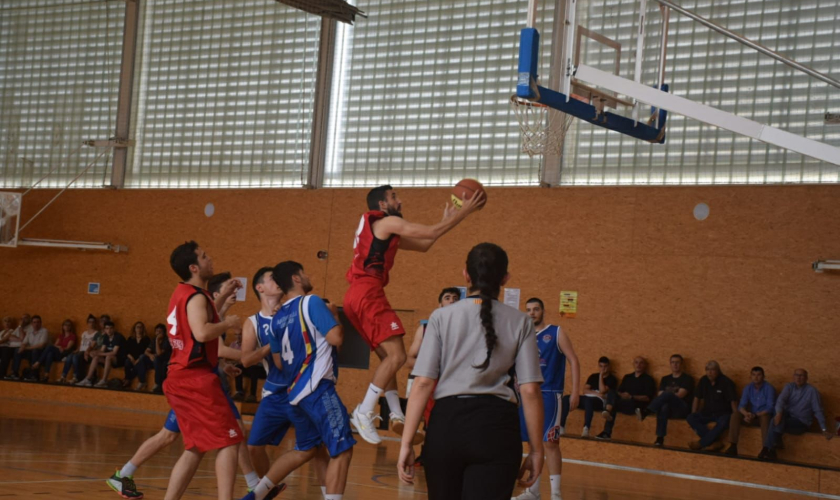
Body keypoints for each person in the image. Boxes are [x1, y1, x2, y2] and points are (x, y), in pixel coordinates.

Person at [398, 243, 545, 500]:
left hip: (446, 426)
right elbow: (530, 390)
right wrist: (536, 449)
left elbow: (422, 383)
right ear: (505, 278)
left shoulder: (441, 317)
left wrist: (407, 442)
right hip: (497, 429)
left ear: (466, 275)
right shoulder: (521, 321)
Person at [343, 184, 486, 444]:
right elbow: (429, 231)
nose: (401, 201)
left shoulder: (383, 230)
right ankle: (364, 410)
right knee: (397, 356)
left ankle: (396, 414)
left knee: (389, 357)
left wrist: (447, 220)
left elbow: (425, 243)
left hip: (357, 294)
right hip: (367, 291)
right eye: (394, 197)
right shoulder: (385, 223)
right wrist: (462, 212)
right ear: (382, 205)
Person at [244, 260, 355, 500]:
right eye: (304, 273)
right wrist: (334, 316)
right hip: (317, 390)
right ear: (296, 278)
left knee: (306, 450)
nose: (308, 276)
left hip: (294, 395)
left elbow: (280, 363)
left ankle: (257, 494)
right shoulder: (311, 301)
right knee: (343, 449)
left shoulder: (277, 318)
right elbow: (336, 338)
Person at [159, 241, 247, 500]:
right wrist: (228, 323)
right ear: (194, 267)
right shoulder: (197, 297)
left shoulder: (185, 293)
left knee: (196, 447)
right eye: (205, 256)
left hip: (179, 377)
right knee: (231, 439)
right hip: (195, 379)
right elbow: (202, 331)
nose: (211, 259)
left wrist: (221, 297)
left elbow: (202, 317)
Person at [240, 266, 327, 491]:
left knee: (318, 447)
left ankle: (329, 494)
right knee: (253, 447)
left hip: (303, 388)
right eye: (271, 279)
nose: (277, 281)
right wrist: (272, 344)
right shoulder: (253, 322)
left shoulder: (295, 309)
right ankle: (270, 488)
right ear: (260, 287)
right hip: (275, 392)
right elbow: (246, 360)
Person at [510, 297, 579, 500]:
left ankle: (556, 494)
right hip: (528, 395)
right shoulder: (524, 336)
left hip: (550, 394)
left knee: (550, 444)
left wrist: (574, 391)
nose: (532, 313)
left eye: (536, 309)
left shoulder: (556, 332)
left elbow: (574, 360)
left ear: (543, 311)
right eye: (529, 310)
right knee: (533, 443)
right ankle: (534, 491)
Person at [405, 286, 462, 462]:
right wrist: (433, 367)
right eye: (447, 297)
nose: (451, 300)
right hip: (433, 381)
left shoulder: (466, 327)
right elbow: (408, 360)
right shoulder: (425, 328)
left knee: (455, 422)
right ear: (439, 304)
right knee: (431, 421)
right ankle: (428, 454)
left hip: (458, 382)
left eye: (455, 298)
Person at [761, 368, 833, 460]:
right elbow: (780, 400)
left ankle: (767, 448)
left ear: (806, 378)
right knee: (777, 413)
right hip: (787, 418)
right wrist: (779, 413)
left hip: (801, 423)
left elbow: (818, 410)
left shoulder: (812, 391)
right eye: (796, 375)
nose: (798, 378)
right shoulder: (789, 387)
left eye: (801, 375)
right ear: (793, 377)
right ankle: (772, 449)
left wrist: (824, 429)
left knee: (774, 422)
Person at [638, 354, 695, 446]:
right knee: (664, 406)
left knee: (667, 395)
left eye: (677, 362)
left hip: (682, 408)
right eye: (673, 362)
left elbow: (680, 395)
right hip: (669, 409)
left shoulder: (687, 379)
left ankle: (647, 411)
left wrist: (668, 394)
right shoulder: (665, 379)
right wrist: (668, 395)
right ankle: (660, 438)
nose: (675, 365)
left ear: (681, 364)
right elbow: (659, 394)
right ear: (670, 364)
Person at [596, 356, 656, 441]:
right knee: (612, 393)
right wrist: (622, 395)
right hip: (624, 402)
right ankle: (607, 420)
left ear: (645, 365)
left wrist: (631, 396)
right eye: (636, 362)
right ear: (633, 364)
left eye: (641, 363)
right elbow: (619, 391)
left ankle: (607, 419)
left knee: (613, 404)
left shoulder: (648, 379)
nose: (638, 365)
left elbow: (648, 398)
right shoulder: (627, 377)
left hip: (637, 406)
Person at [686, 361, 737, 452]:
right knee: (691, 417)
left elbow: (733, 401)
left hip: (723, 413)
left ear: (718, 371)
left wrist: (736, 416)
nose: (709, 372)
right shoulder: (703, 380)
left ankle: (701, 443)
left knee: (724, 421)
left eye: (712, 370)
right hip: (707, 413)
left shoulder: (726, 382)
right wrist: (693, 412)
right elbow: (697, 398)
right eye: (707, 370)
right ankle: (715, 442)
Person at [559, 357, 616, 438]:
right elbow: (585, 390)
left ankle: (586, 428)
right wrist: (597, 394)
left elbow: (602, 390)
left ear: (609, 366)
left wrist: (601, 376)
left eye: (605, 366)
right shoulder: (593, 376)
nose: (603, 368)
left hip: (599, 402)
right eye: (601, 366)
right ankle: (561, 426)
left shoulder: (612, 379)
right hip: (587, 398)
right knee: (566, 398)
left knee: (588, 401)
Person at [725, 366, 775, 457]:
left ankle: (766, 448)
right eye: (754, 375)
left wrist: (755, 415)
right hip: (750, 416)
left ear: (764, 376)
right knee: (735, 414)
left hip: (762, 416)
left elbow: (770, 407)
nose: (756, 377)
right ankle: (733, 445)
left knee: (765, 417)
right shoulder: (748, 388)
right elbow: (741, 406)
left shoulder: (769, 388)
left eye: (759, 375)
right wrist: (746, 414)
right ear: (750, 376)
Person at [76, 321, 125, 388]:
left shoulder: (118, 337)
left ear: (114, 329)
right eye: (107, 329)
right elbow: (102, 350)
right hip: (109, 359)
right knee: (96, 357)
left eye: (111, 328)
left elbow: (114, 352)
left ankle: (104, 380)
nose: (109, 330)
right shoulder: (105, 337)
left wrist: (100, 354)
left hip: (119, 359)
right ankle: (88, 379)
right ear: (104, 329)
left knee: (108, 357)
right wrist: (94, 352)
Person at [8, 314, 48, 380]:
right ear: (32, 324)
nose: (36, 324)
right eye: (34, 322)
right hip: (30, 351)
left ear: (41, 323)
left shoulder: (44, 331)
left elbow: (41, 345)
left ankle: (34, 375)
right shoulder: (30, 331)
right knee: (17, 350)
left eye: (38, 322)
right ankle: (14, 373)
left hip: (40, 352)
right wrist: (22, 347)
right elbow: (24, 342)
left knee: (35, 351)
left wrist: (26, 348)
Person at [61, 315, 98, 384]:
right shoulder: (84, 333)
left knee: (76, 357)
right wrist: (76, 350)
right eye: (90, 322)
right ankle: (63, 376)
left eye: (93, 322)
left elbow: (93, 346)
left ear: (95, 323)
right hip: (81, 351)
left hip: (88, 352)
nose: (91, 323)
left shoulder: (96, 333)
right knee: (70, 356)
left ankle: (76, 377)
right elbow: (81, 344)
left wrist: (87, 352)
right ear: (87, 323)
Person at [123, 322, 153, 390]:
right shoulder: (131, 339)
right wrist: (132, 359)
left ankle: (137, 380)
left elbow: (146, 352)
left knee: (140, 363)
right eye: (137, 327)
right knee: (127, 361)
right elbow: (126, 351)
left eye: (140, 327)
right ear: (134, 329)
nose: (139, 329)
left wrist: (137, 361)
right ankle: (128, 379)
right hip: (132, 359)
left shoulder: (146, 339)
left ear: (143, 329)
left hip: (141, 359)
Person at [151, 323, 170, 393]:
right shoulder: (153, 340)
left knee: (157, 360)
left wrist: (157, 341)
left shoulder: (166, 340)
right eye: (157, 331)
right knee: (142, 358)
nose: (158, 333)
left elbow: (159, 353)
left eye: (160, 332)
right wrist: (150, 355)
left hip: (165, 359)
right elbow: (146, 351)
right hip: (155, 359)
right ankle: (142, 381)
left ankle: (158, 384)